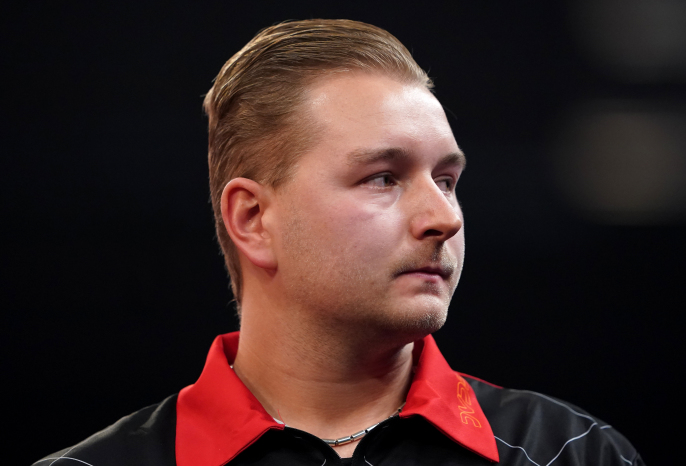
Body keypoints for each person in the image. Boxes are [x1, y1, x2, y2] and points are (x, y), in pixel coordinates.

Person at [35, 19, 644, 466]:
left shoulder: (572, 453)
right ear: (253, 219)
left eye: (447, 180)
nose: (444, 218)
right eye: (383, 177)